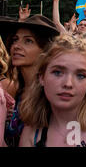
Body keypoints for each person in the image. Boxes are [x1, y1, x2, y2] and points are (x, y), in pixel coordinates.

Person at [18, 34, 86, 147]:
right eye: (58, 72)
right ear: (41, 77)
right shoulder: (32, 130)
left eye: (80, 75)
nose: (68, 84)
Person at [0, 15, 60, 147]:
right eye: (15, 40)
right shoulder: (18, 91)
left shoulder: (51, 96)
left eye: (28, 41)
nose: (16, 46)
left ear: (45, 49)